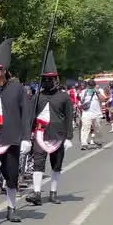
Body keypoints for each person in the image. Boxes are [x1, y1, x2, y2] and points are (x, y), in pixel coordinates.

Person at [0, 39, 29, 223]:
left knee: (11, 175)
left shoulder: (17, 88)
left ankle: (11, 207)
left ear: (4, 70)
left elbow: (25, 114)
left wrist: (26, 137)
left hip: (11, 138)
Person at [25, 53, 74, 206]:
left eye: (50, 79)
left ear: (56, 80)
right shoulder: (37, 97)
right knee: (38, 162)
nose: (47, 82)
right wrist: (27, 136)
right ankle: (37, 192)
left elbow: (68, 117)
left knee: (56, 164)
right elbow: (30, 117)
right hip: (40, 133)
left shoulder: (64, 97)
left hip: (58, 135)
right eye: (44, 79)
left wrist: (68, 137)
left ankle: (53, 191)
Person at [80, 80, 105, 149]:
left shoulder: (99, 91)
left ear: (94, 85)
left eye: (92, 86)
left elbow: (103, 99)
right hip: (86, 113)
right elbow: (81, 101)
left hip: (97, 113)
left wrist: (97, 93)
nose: (91, 87)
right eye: (90, 86)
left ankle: (98, 142)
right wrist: (86, 93)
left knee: (98, 128)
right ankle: (84, 144)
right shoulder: (84, 91)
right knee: (85, 128)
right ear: (87, 85)